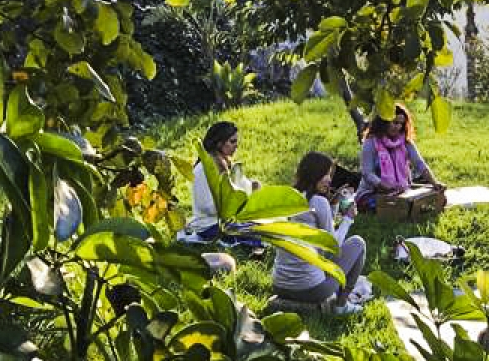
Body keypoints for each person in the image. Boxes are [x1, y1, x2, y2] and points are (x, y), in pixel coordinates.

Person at [271, 151, 370, 314]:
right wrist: (348, 220)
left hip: (279, 285)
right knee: (358, 243)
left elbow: (319, 235)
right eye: (325, 174)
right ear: (314, 174)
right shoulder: (318, 201)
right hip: (311, 290)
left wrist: (334, 205)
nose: (329, 180)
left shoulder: (288, 197)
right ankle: (341, 305)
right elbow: (331, 248)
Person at [356, 103, 442, 213]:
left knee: (416, 204)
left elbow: (419, 164)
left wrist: (434, 183)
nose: (398, 127)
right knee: (388, 208)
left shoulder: (406, 142)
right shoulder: (370, 143)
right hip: (372, 193)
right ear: (384, 122)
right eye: (395, 122)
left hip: (401, 191)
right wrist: (384, 186)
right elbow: (367, 173)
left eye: (401, 124)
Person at [186, 120, 261, 242]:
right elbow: (205, 206)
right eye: (232, 141)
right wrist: (235, 204)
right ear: (219, 143)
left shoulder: (227, 164)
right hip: (209, 226)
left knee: (266, 228)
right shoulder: (202, 169)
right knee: (259, 235)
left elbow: (243, 187)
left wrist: (253, 187)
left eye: (236, 141)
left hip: (227, 222)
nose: (236, 145)